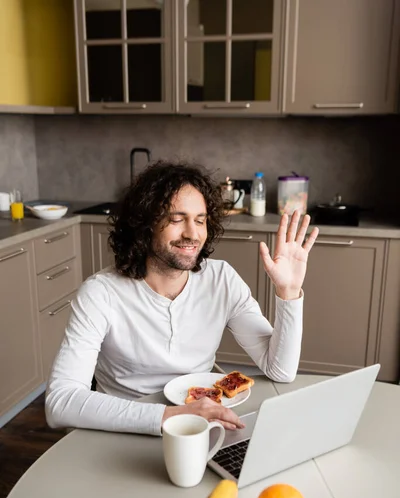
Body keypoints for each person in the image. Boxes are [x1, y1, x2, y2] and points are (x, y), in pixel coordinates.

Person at [45, 161, 319, 435]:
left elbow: (280, 371)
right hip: (121, 430)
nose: (192, 233)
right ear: (145, 225)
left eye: (200, 220)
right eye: (176, 219)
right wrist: (173, 416)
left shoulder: (222, 279)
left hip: (200, 428)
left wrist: (289, 292)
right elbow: (60, 402)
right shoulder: (100, 293)